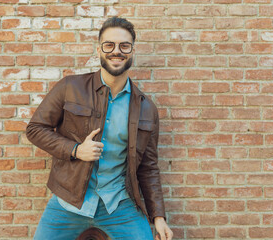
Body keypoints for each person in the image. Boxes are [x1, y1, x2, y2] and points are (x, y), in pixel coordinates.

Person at [26, 16, 173, 240]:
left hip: (119, 205)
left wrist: (158, 217)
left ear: (132, 51)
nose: (117, 51)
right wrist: (76, 150)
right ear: (99, 50)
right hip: (69, 202)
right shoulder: (70, 87)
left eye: (124, 45)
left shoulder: (146, 109)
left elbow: (148, 167)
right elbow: (35, 128)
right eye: (109, 45)